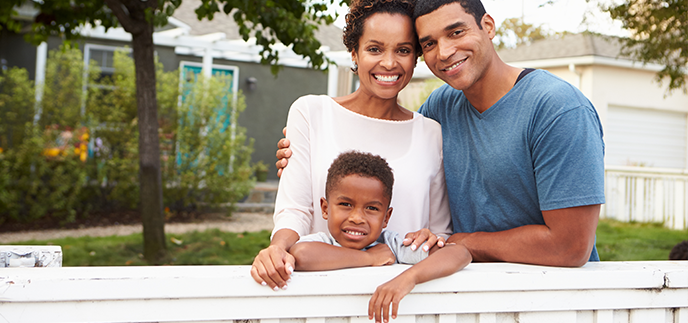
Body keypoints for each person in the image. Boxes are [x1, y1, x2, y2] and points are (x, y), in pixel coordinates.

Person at [276, 0, 605, 268]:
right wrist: (305, 158)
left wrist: (458, 242)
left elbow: (570, 247)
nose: (445, 52)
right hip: (460, 293)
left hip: (551, 295)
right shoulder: (441, 109)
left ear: (488, 26)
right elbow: (387, 155)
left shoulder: (558, 108)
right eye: (430, 43)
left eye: (456, 32)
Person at [251, 0, 453, 291]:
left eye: (403, 50)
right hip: (321, 291)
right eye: (374, 49)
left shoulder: (431, 132)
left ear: (415, 58)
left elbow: (440, 231)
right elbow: (295, 209)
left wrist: (430, 239)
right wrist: (279, 248)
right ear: (354, 53)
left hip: (403, 298)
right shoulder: (311, 113)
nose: (389, 62)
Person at [291, 151, 471, 323]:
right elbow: (301, 255)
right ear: (325, 208)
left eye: (371, 208)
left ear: (386, 217)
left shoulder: (391, 246)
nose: (357, 218)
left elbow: (460, 253)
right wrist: (369, 257)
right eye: (346, 204)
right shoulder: (324, 243)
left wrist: (408, 278)